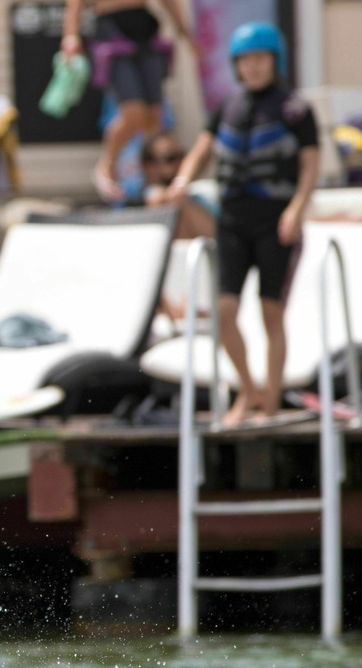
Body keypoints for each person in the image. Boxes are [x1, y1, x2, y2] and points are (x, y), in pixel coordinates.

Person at [165, 21, 318, 425]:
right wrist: (182, 180)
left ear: (275, 60)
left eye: (260, 58)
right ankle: (247, 390)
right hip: (233, 221)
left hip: (276, 222)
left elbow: (310, 165)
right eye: (245, 60)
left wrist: (296, 209)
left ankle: (272, 400)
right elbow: (201, 149)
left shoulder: (295, 109)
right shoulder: (227, 106)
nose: (253, 67)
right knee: (224, 311)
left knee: (271, 313)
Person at [62, 0, 199, 203]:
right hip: (112, 31)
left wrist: (185, 32)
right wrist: (70, 36)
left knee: (154, 117)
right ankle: (106, 166)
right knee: (133, 112)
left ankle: (150, 186)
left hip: (144, 29)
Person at [140, 130, 213, 240]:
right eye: (170, 158)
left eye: (181, 156)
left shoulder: (201, 194)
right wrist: (179, 200)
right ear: (149, 166)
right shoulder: (148, 201)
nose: (179, 163)